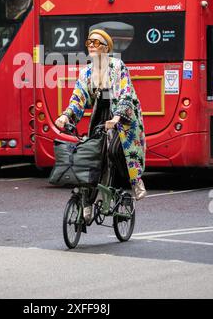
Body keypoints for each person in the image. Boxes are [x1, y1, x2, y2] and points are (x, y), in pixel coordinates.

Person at [55, 29, 147, 221]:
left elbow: (125, 93)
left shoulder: (117, 66)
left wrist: (117, 118)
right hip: (100, 116)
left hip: (122, 118)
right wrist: (66, 115)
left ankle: (135, 181)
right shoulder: (86, 72)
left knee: (115, 150)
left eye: (96, 43)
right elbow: (78, 99)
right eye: (89, 42)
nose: (91, 46)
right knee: (92, 157)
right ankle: (87, 203)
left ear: (105, 48)